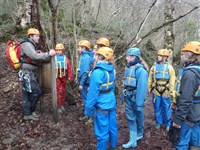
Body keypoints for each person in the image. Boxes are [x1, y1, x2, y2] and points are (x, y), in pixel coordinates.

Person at [84, 47, 118, 150]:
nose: (94, 56)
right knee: (112, 127)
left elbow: (92, 94)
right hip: (111, 102)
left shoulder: (97, 72)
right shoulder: (112, 69)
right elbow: (113, 87)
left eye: (96, 54)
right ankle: (113, 147)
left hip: (102, 105)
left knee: (102, 131)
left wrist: (88, 110)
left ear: (100, 57)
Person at [168, 41, 200, 149]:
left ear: (189, 55)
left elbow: (185, 100)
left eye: (183, 54)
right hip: (197, 115)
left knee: (181, 143)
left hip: (187, 117)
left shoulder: (190, 74)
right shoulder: (197, 71)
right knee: (195, 144)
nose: (181, 56)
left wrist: (177, 122)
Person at [19, 28, 55, 120]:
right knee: (36, 92)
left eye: (38, 36)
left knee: (28, 94)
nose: (38, 37)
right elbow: (34, 56)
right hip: (26, 73)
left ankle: (28, 113)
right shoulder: (27, 44)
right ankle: (29, 112)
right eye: (36, 36)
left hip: (28, 73)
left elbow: (34, 57)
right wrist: (48, 54)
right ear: (31, 36)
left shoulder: (31, 45)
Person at [120, 47, 148, 149]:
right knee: (131, 118)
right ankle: (132, 140)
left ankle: (139, 134)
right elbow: (125, 84)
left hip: (136, 99)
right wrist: (123, 97)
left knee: (139, 117)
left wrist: (139, 103)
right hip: (128, 97)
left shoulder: (141, 71)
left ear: (134, 57)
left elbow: (142, 87)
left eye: (128, 56)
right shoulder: (128, 68)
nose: (126, 58)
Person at [148, 49, 176, 131]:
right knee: (157, 107)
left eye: (160, 55)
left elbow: (172, 80)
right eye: (158, 55)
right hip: (156, 90)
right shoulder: (153, 67)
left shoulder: (170, 68)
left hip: (166, 91)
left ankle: (167, 123)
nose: (158, 57)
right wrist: (149, 88)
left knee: (167, 108)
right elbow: (150, 79)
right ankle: (158, 122)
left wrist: (171, 92)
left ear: (165, 57)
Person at [76, 40, 94, 123]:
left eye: (79, 48)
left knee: (87, 99)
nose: (78, 49)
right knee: (85, 98)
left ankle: (91, 116)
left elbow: (85, 71)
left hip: (86, 82)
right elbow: (80, 69)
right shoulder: (83, 56)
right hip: (83, 81)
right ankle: (87, 114)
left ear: (84, 48)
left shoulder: (86, 57)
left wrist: (81, 83)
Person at [54, 43, 73, 113]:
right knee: (59, 91)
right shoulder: (53, 58)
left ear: (62, 51)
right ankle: (58, 106)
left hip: (63, 77)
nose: (58, 52)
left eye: (60, 50)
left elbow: (69, 68)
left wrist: (70, 77)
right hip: (57, 77)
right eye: (57, 50)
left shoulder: (66, 59)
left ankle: (61, 104)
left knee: (64, 91)